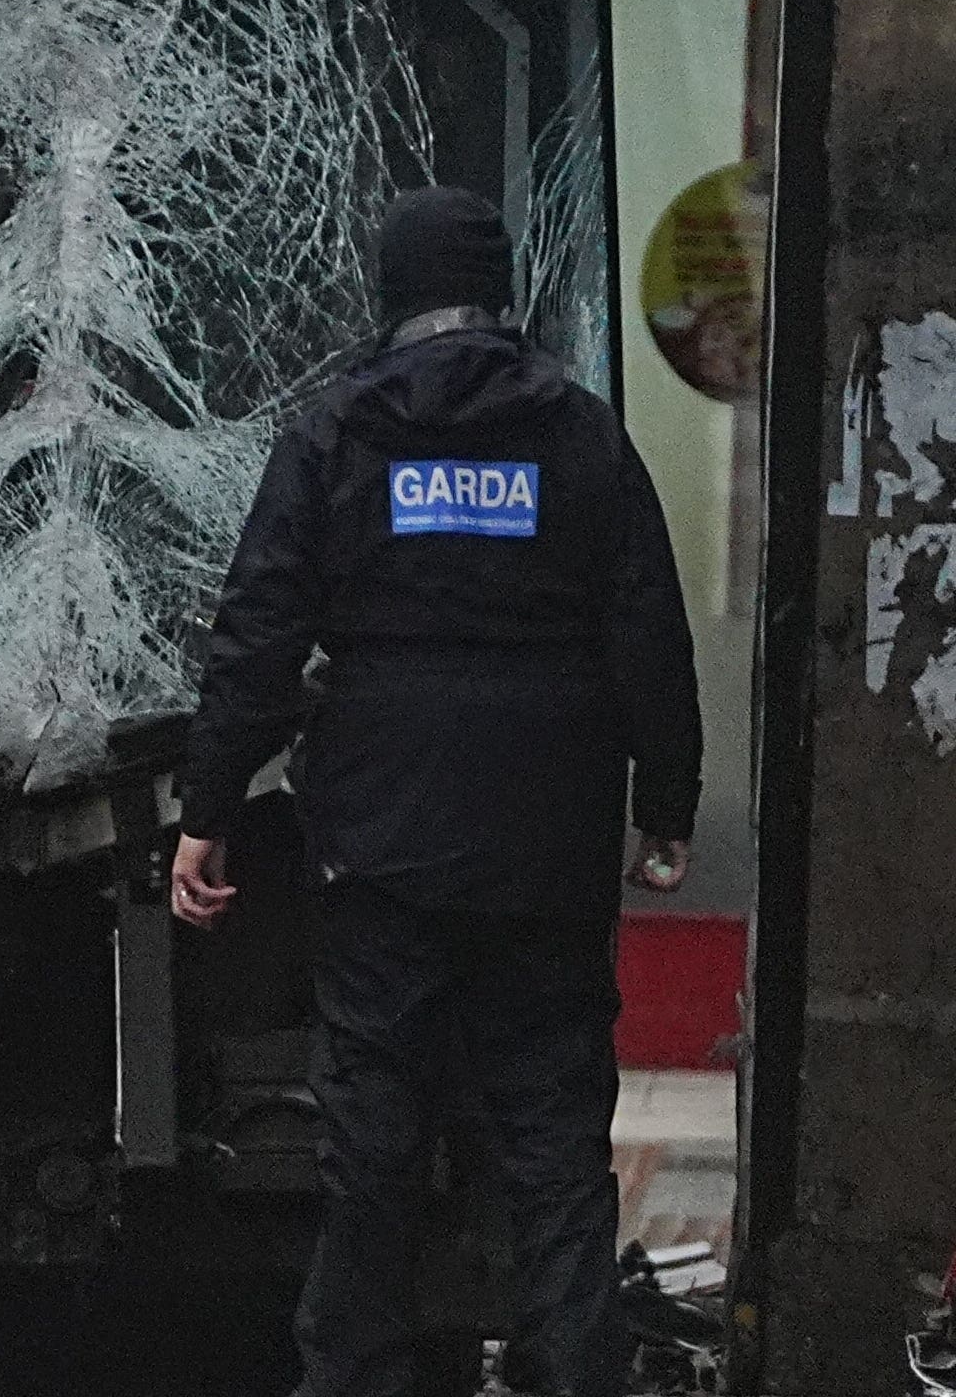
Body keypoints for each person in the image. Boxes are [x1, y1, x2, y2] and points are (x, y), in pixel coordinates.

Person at [170, 186, 702, 1397]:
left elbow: (258, 634)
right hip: (545, 845)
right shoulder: (578, 437)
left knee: (373, 1140)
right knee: (555, 1141)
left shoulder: (337, 436)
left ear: (388, 293)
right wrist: (665, 810)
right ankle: (575, 1375)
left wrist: (209, 810)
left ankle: (355, 1379)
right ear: (503, 292)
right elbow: (648, 639)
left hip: (383, 838)